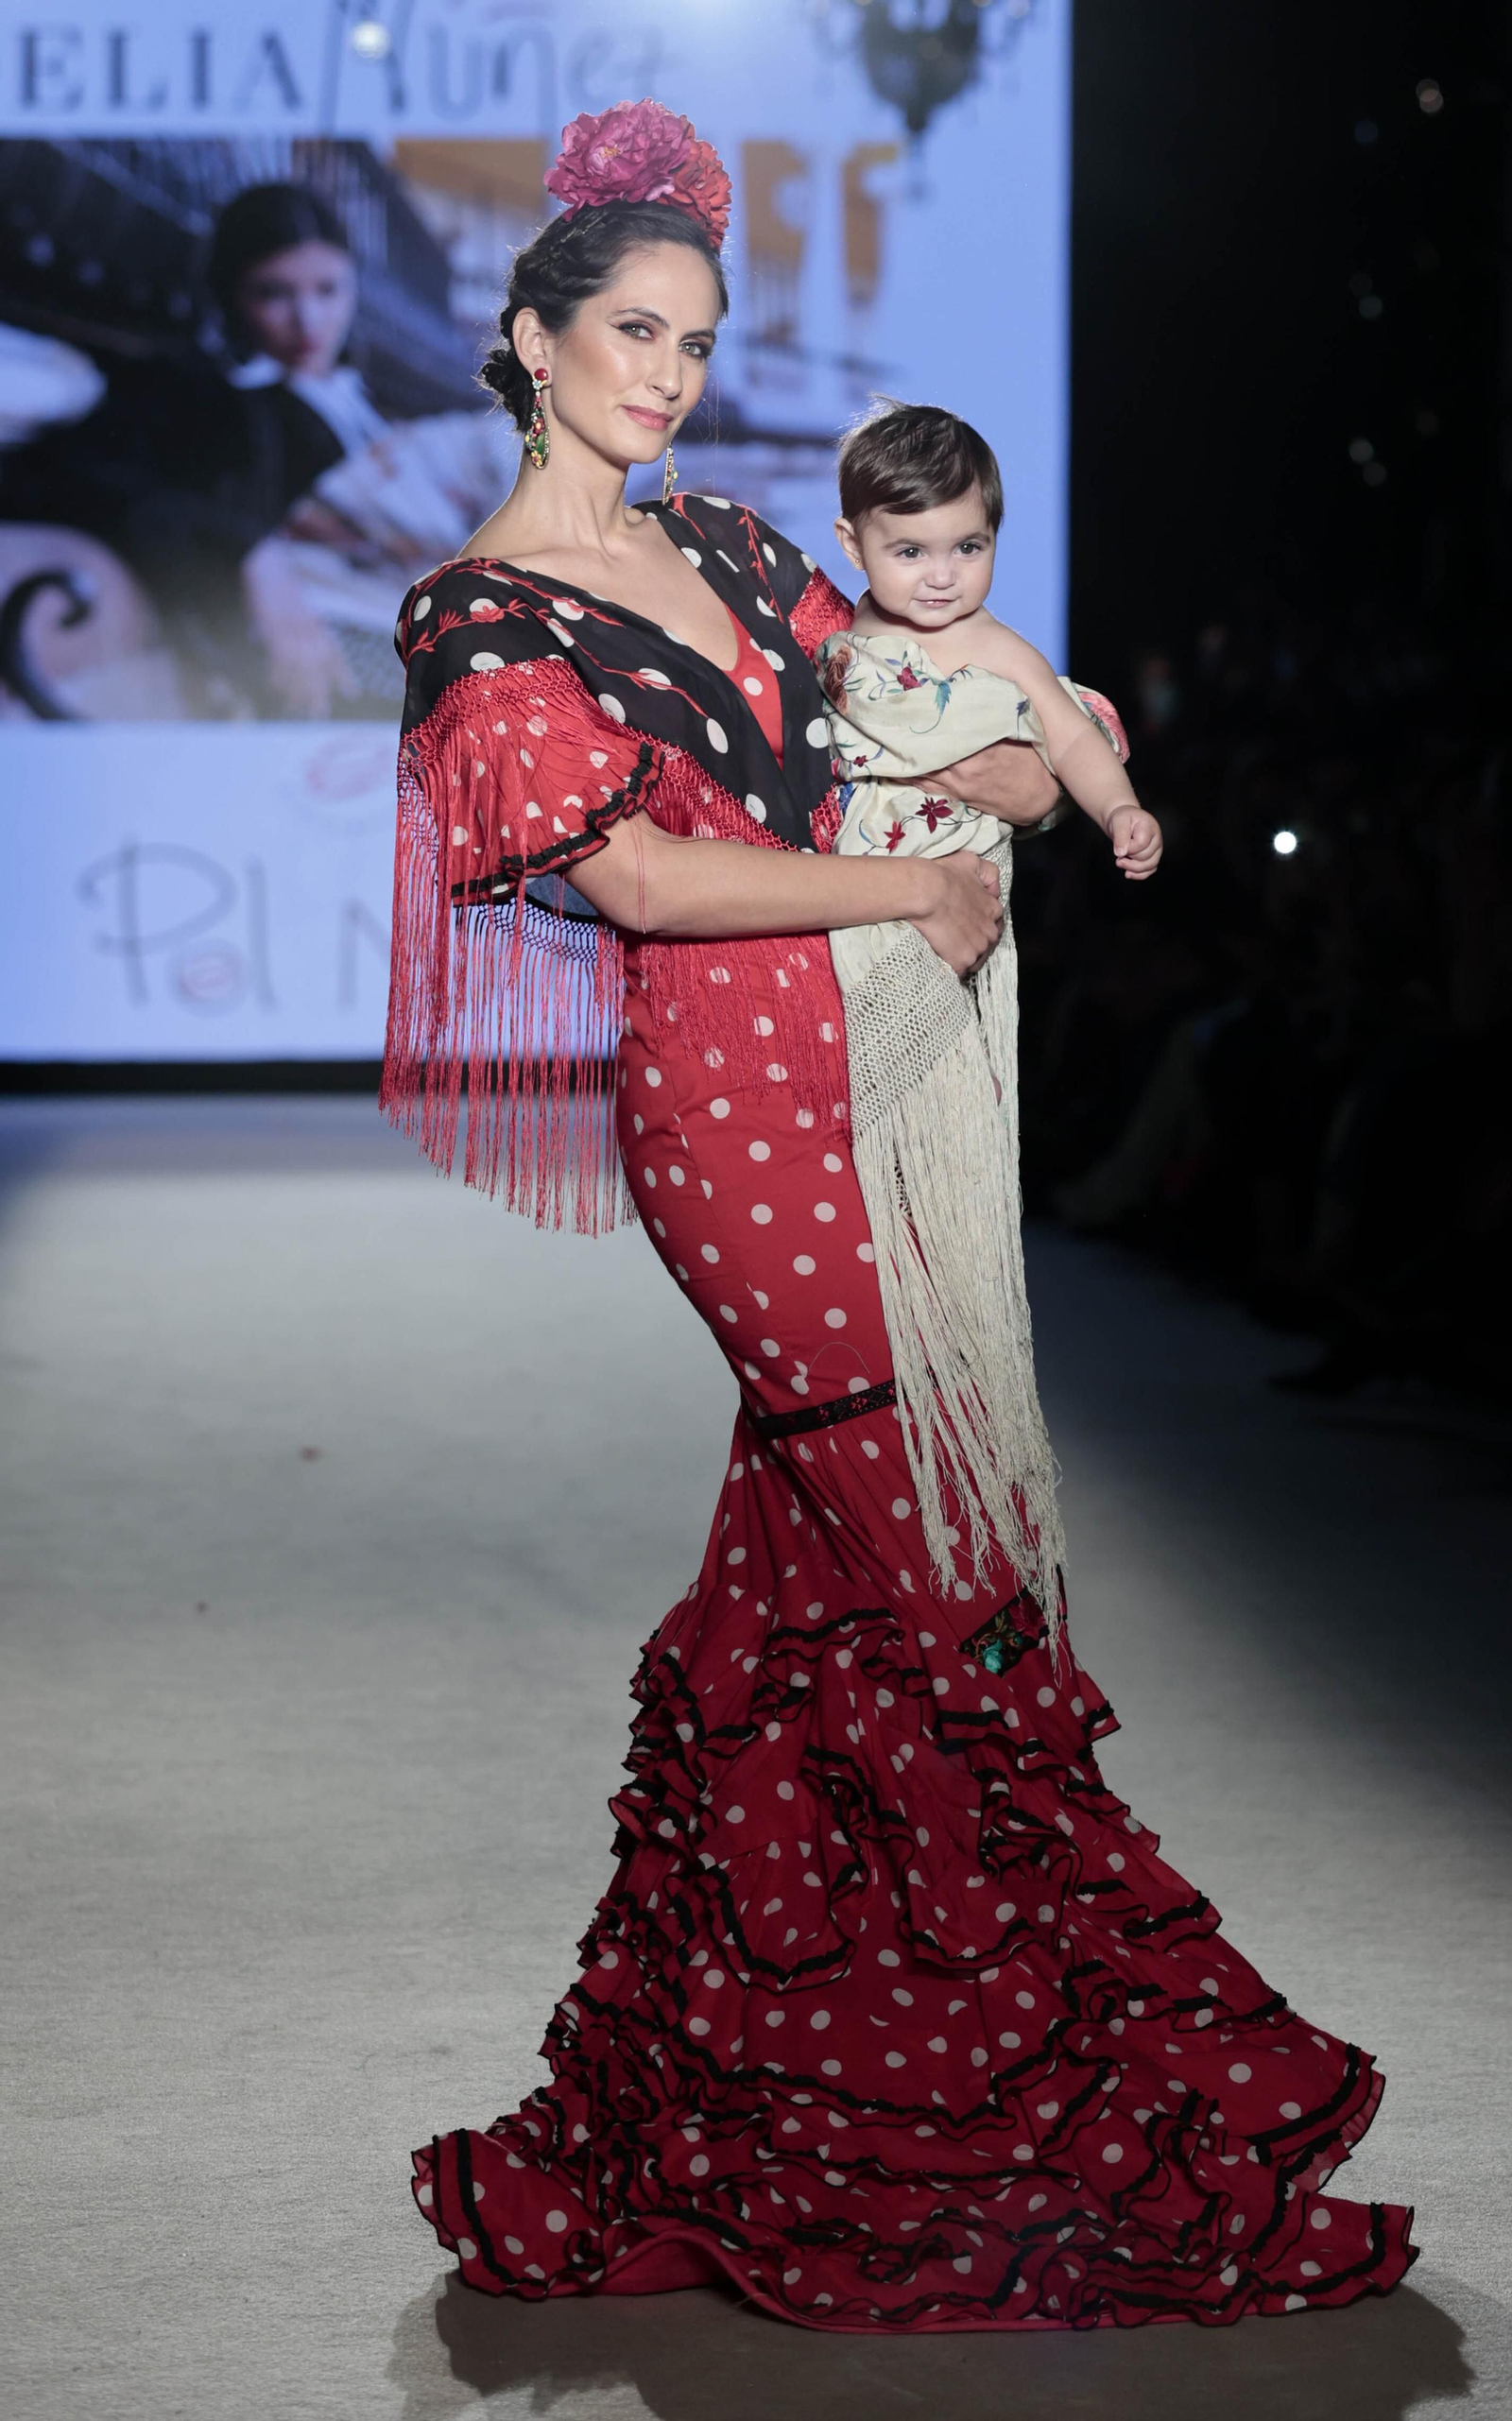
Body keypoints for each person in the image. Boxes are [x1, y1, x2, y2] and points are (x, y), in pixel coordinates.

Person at [388, 99, 1415, 2330]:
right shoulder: (477, 617)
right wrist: (919, 877)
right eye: (631, 331)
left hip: (901, 1065)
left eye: (696, 336)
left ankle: (744, 2091)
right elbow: (639, 882)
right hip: (737, 1102)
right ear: (530, 334)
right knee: (937, 1549)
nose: (666, 371)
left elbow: (934, 713)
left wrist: (1014, 771)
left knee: (822, 1573)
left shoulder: (755, 549)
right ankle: (1042, 2100)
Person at [814, 402, 1156, 1623]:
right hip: (851, 935)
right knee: (852, 1197)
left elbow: (1066, 738)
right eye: (911, 550)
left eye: (967, 546)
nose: (942, 573)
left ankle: (970, 1492)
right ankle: (888, 1466)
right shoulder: (828, 655)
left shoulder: (1002, 652)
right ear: (854, 544)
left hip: (964, 953)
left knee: (949, 1187)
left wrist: (1117, 810)